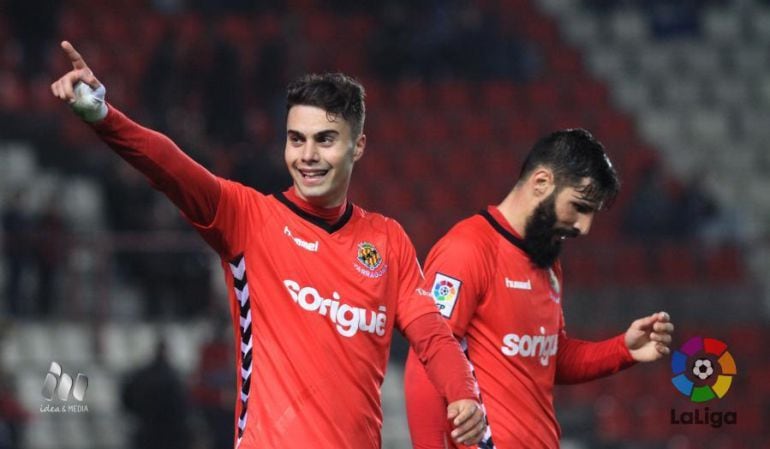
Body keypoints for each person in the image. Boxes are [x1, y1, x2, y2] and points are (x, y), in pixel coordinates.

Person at [51, 41, 485, 448]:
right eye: (296, 139)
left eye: (325, 139)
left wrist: (464, 393)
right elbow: (171, 167)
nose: (307, 155)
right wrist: (101, 114)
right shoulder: (248, 219)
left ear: (358, 147)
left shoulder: (387, 241)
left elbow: (433, 335)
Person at [403, 129, 675, 449]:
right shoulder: (467, 250)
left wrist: (623, 349)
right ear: (542, 182)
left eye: (592, 214)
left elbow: (548, 357)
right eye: (579, 207)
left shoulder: (545, 259)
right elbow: (425, 362)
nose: (584, 227)